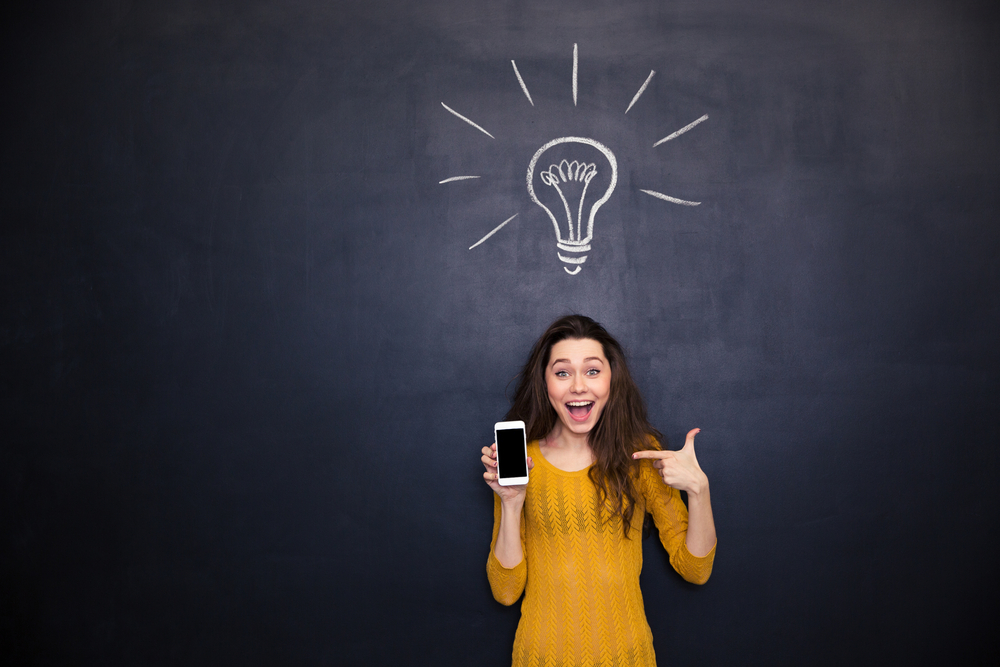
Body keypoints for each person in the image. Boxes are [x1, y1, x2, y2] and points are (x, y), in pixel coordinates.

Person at [481, 315, 717, 667]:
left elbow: (695, 570)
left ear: (612, 379)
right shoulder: (521, 462)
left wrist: (700, 491)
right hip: (539, 657)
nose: (578, 386)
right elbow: (505, 591)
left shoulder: (640, 454)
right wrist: (512, 503)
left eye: (592, 370)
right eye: (562, 372)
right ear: (545, 383)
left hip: (628, 657)